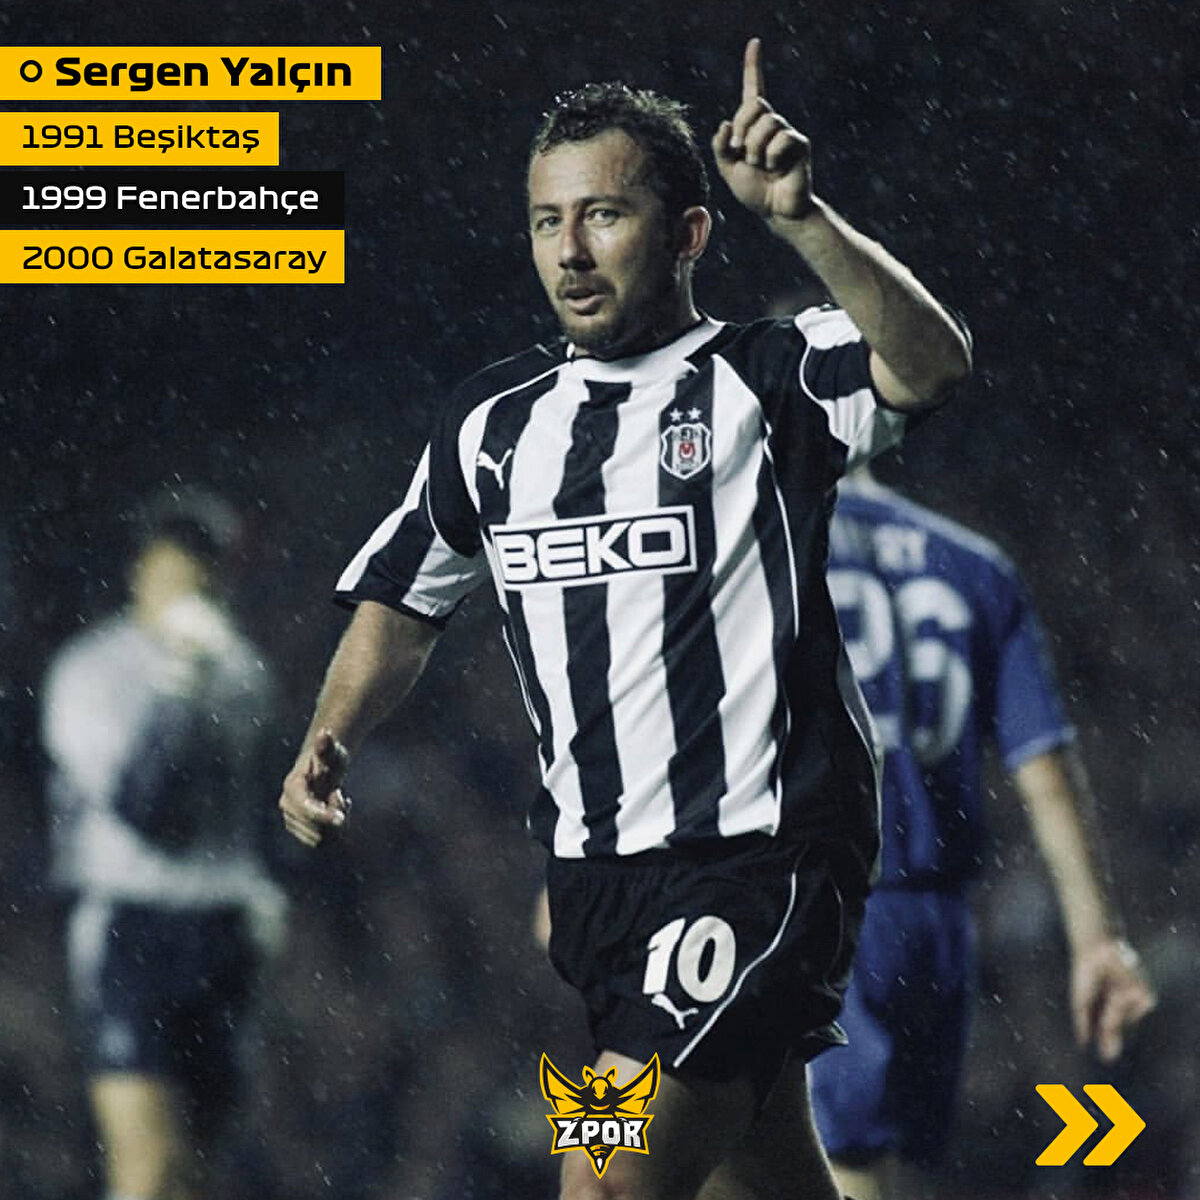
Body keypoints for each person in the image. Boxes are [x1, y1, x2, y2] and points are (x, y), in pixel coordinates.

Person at [279, 37, 971, 1200]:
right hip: (599, 885)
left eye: (603, 215)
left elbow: (933, 365)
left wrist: (802, 221)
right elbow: (403, 596)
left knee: (603, 1173)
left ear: (689, 233)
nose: (571, 250)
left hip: (761, 857)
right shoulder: (495, 426)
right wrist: (329, 733)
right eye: (548, 222)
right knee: (763, 1178)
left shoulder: (766, 375)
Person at [808, 467, 1157, 1200]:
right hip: (936, 922)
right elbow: (1044, 767)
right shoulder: (971, 561)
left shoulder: (767, 544)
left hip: (818, 905)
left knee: (831, 1161)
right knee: (900, 1167)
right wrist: (1096, 938)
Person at [41, 488, 287, 1200]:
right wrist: (178, 687)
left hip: (223, 924)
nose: (192, 585)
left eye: (205, 570)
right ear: (141, 570)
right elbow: (144, 811)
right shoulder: (91, 672)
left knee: (199, 1170)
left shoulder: (242, 672)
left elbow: (257, 813)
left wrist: (267, 896)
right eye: (177, 566)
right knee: (146, 1166)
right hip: (134, 924)